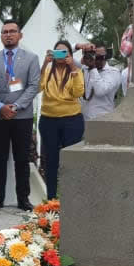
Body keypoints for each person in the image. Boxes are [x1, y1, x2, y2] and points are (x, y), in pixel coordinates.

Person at [0, 20, 41, 212]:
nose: (8, 35)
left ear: (20, 35)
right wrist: (1, 106)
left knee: (22, 158)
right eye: (4, 32)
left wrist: (16, 106)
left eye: (12, 31)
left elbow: (34, 85)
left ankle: (23, 199)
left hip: (22, 116)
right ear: (1, 36)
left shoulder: (31, 58)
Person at [37, 41, 85, 200]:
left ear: (70, 55)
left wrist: (72, 68)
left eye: (64, 53)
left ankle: (72, 197)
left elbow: (78, 92)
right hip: (49, 119)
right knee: (50, 160)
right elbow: (38, 87)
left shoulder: (76, 71)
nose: (60, 56)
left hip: (72, 120)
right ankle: (51, 198)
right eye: (57, 52)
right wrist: (45, 63)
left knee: (71, 160)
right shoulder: (48, 70)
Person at [80, 43, 122, 120]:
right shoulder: (85, 69)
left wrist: (93, 68)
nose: (96, 60)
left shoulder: (113, 72)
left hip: (103, 120)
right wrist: (78, 46)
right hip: (85, 119)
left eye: (100, 57)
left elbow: (100, 91)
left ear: (106, 57)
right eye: (94, 56)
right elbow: (66, 56)